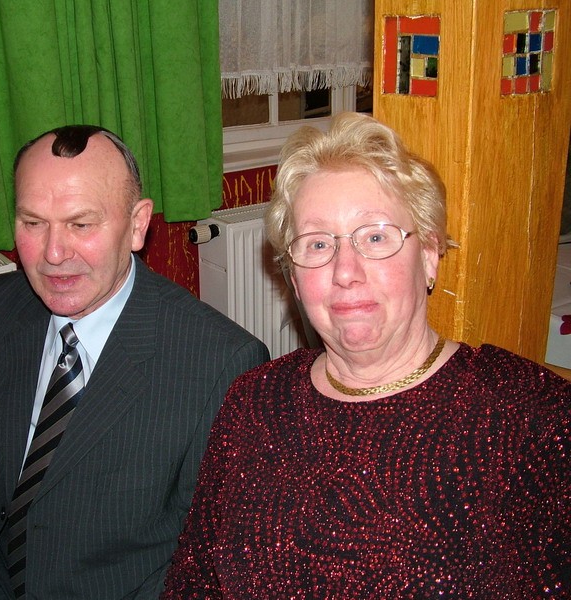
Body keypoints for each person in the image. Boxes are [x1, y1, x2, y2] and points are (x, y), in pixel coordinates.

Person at [0, 125, 269, 599]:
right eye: (33, 223)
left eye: (80, 225)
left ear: (137, 225)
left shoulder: (219, 364)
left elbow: (206, 560)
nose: (53, 254)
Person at [161, 112, 571, 598]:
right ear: (294, 277)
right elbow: (194, 580)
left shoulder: (528, 417)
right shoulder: (254, 400)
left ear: (429, 255)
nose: (345, 271)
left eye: (375, 236)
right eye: (317, 244)